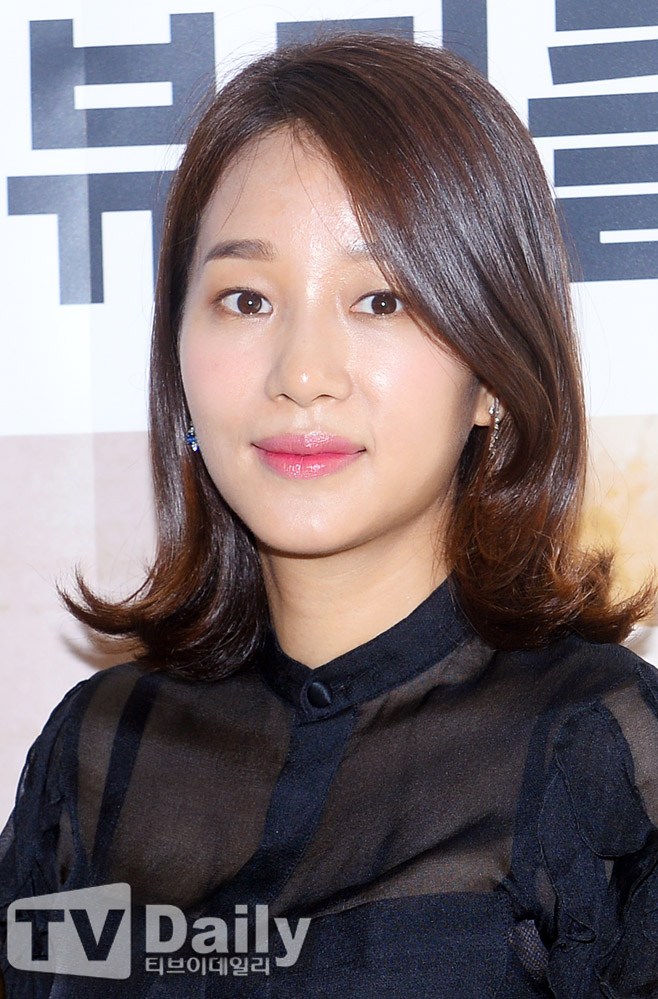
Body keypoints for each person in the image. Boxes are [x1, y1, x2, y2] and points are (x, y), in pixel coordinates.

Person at [1, 32, 657, 998]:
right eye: (246, 299)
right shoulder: (99, 750)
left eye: (380, 300)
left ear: (494, 375)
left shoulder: (601, 751)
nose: (303, 374)